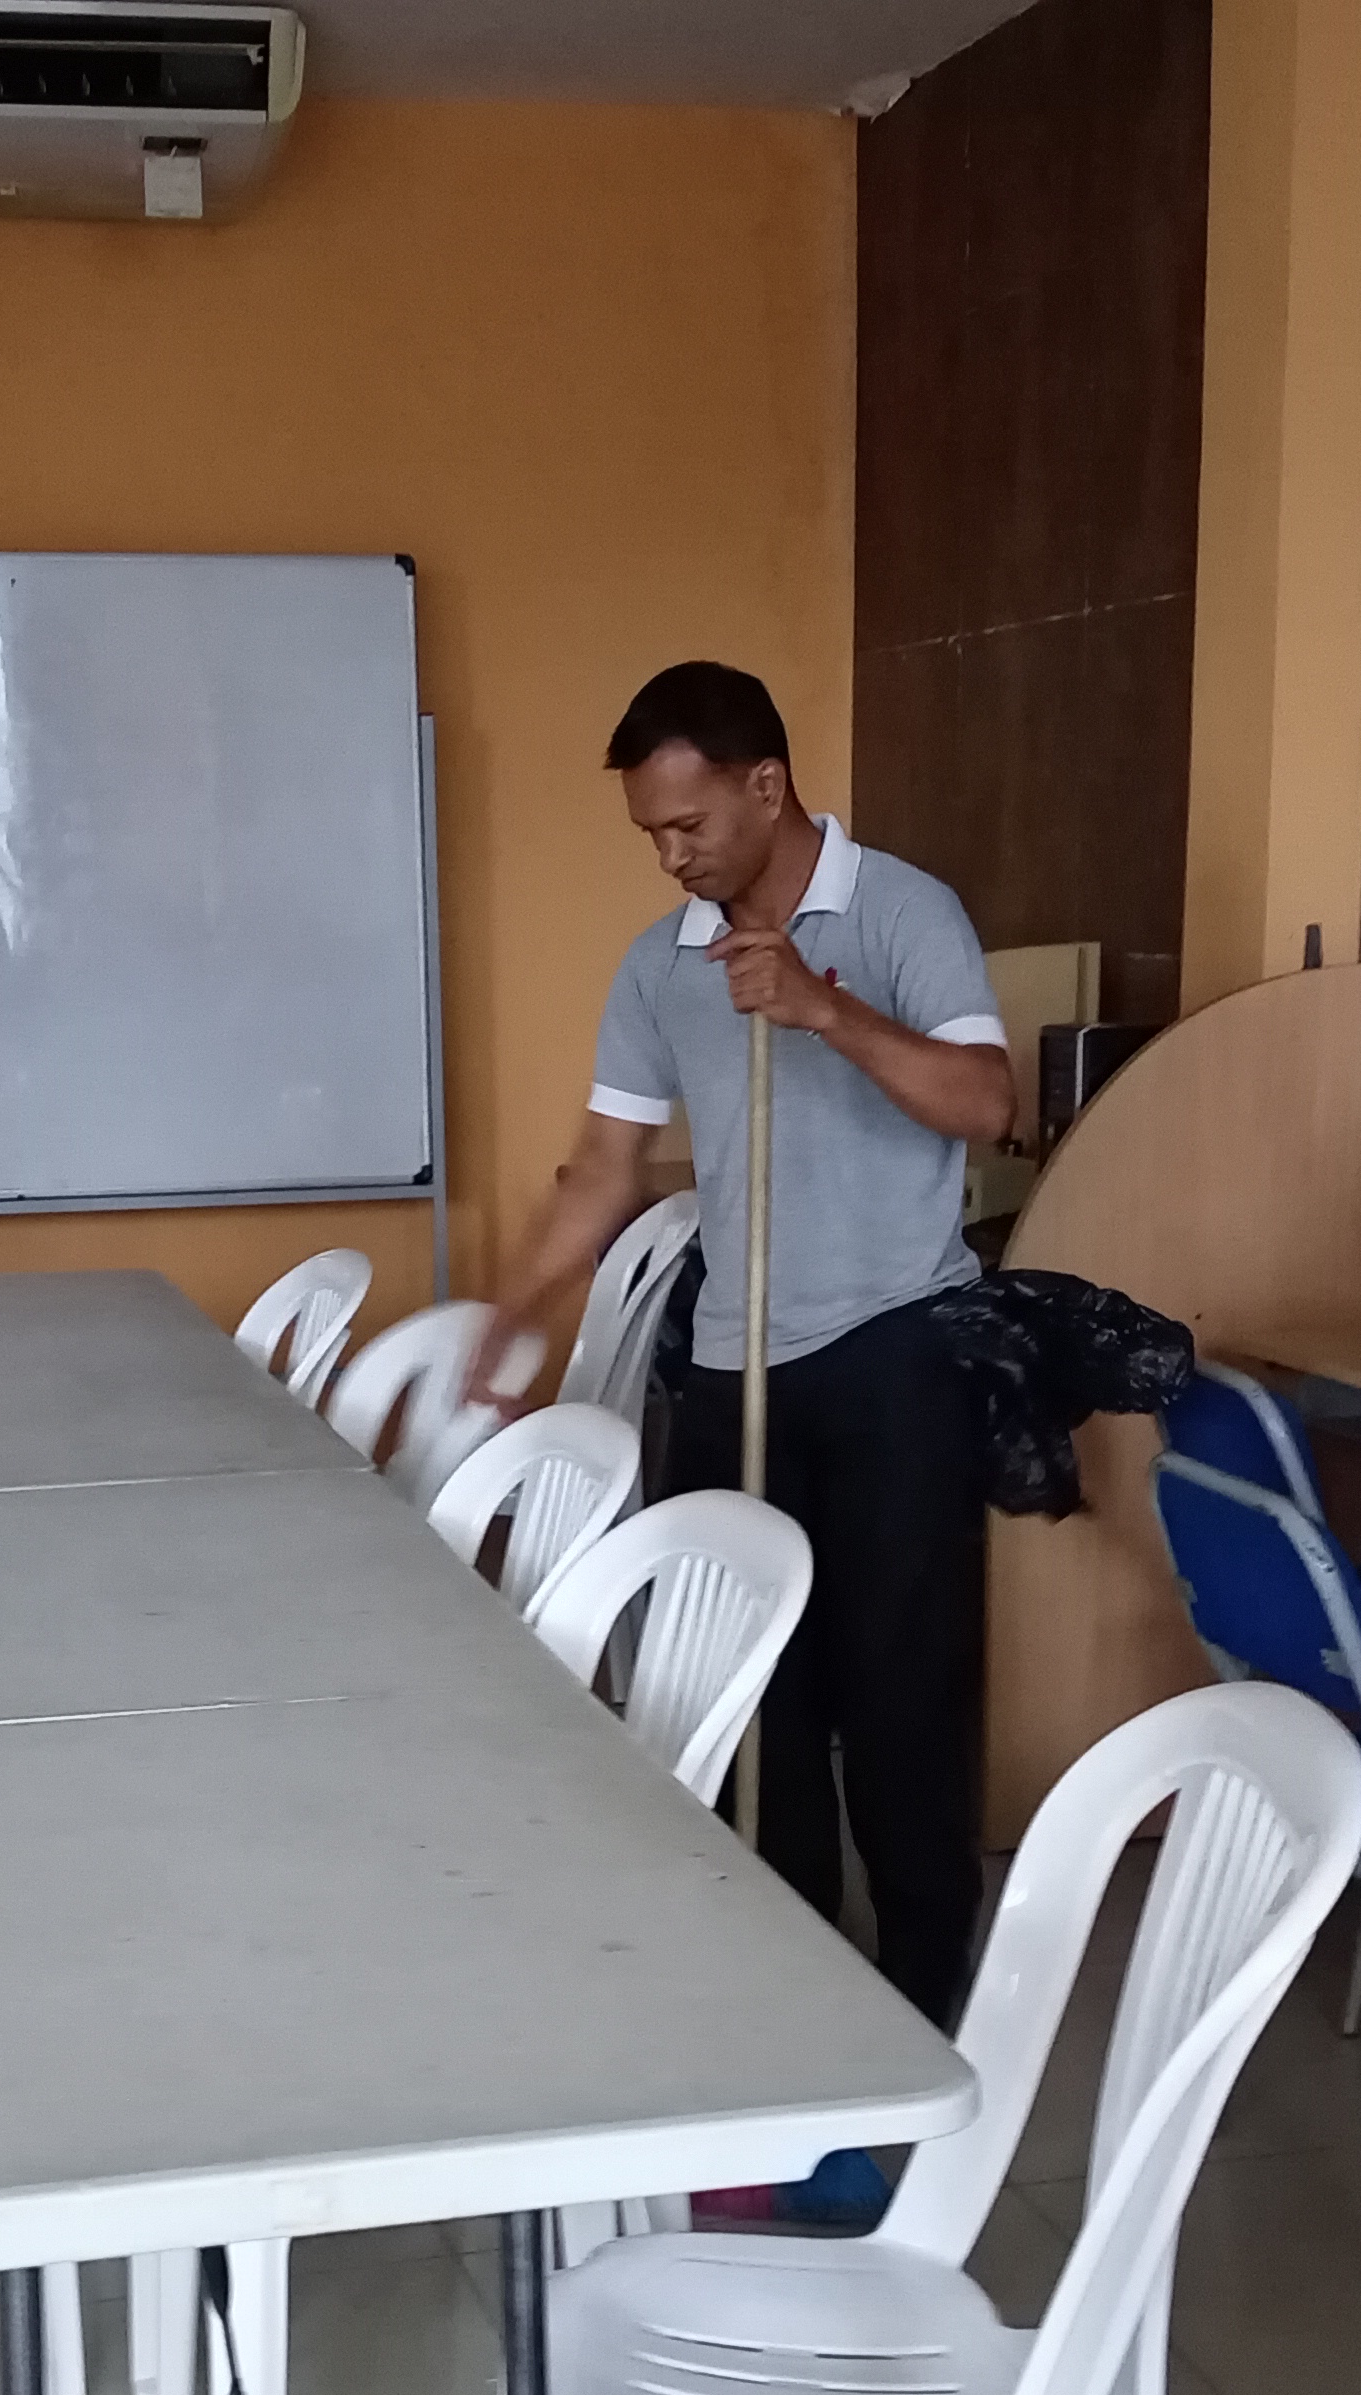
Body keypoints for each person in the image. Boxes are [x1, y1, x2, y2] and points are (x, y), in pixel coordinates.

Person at [486, 663, 1014, 2204]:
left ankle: (915, 2057)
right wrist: (513, 1317)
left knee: (901, 1716)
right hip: (735, 1371)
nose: (674, 856)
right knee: (748, 1714)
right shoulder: (661, 964)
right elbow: (605, 1163)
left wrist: (822, 1006)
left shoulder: (903, 912)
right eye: (653, 834)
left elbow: (985, 1101)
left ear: (767, 786)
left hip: (894, 1356)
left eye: (691, 823)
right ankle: (785, 2039)